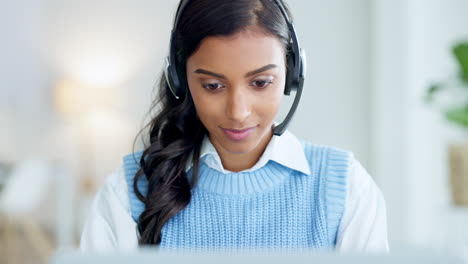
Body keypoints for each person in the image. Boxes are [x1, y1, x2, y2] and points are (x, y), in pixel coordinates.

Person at [80, 0, 389, 253]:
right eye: (213, 85)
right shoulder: (127, 190)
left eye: (260, 82)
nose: (238, 112)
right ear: (180, 79)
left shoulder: (345, 186)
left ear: (292, 75)